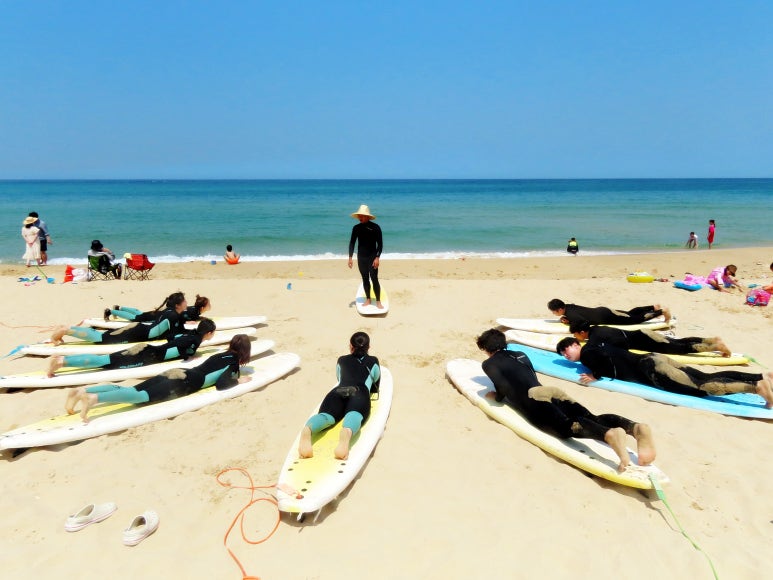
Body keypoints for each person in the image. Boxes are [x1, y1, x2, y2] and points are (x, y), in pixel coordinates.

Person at [476, 329, 655, 471]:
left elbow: (503, 387)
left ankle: (608, 435)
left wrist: (496, 397)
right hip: (550, 391)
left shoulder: (489, 364)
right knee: (592, 417)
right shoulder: (520, 354)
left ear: (486, 348)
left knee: (565, 427)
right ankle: (635, 428)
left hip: (534, 399)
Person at [64, 334, 252, 423]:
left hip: (179, 371)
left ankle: (83, 391)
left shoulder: (221, 354)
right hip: (185, 382)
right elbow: (221, 384)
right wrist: (238, 380)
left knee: (134, 390)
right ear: (245, 351)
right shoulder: (233, 362)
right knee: (139, 397)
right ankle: (94, 398)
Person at [556, 337, 773, 408]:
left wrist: (595, 376)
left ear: (576, 344)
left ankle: (756, 388)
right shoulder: (597, 343)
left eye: (566, 349)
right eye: (562, 354)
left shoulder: (588, 354)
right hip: (653, 358)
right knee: (705, 376)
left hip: (652, 370)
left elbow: (601, 361)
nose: (566, 355)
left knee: (702, 387)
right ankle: (761, 377)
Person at [298, 332, 381, 460]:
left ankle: (308, 430)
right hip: (359, 392)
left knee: (326, 416)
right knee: (354, 414)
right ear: (369, 347)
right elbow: (375, 380)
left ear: (350, 346)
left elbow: (339, 377)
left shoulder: (341, 360)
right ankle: (346, 433)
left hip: (339, 391)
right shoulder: (373, 361)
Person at [47, 318, 217, 377]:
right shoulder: (194, 342)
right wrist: (190, 355)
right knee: (105, 361)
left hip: (148, 348)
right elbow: (182, 352)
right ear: (209, 333)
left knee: (106, 357)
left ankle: (63, 357)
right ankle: (61, 362)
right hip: (147, 356)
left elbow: (173, 338)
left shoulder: (191, 334)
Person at [51, 293, 189, 345]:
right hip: (137, 332)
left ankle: (66, 330)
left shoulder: (171, 313)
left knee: (103, 336)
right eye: (184, 301)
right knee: (101, 338)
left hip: (139, 329)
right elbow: (171, 336)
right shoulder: (172, 315)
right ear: (178, 305)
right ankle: (65, 330)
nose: (186, 303)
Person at [568, 319, 731, 357]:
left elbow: (589, 351)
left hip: (646, 341)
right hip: (643, 332)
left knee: (679, 348)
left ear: (581, 332)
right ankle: (711, 339)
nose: (575, 337)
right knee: (677, 341)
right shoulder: (598, 328)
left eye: (575, 334)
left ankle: (715, 347)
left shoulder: (595, 338)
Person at [348, 204, 383, 309]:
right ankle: (368, 299)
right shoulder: (356, 228)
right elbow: (352, 243)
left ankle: (378, 301)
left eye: (362, 216)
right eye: (359, 215)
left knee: (374, 278)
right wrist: (350, 257)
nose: (360, 217)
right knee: (365, 278)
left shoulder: (375, 227)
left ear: (367, 216)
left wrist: (377, 257)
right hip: (361, 257)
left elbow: (380, 244)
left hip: (372, 257)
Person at [547, 298, 671, 326]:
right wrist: (566, 318)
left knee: (634, 319)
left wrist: (569, 322)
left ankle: (661, 311)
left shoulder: (570, 314)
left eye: (554, 312)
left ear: (560, 309)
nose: (554, 314)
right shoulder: (569, 307)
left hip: (607, 317)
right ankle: (653, 307)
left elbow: (583, 322)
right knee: (629, 314)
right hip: (602, 310)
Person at [105, 294, 211, 323]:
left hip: (159, 313)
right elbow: (182, 316)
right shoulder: (194, 312)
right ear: (202, 307)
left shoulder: (194, 310)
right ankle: (110, 311)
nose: (210, 306)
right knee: (136, 318)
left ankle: (119, 308)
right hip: (157, 317)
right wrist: (188, 321)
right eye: (208, 305)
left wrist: (199, 318)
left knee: (140, 313)